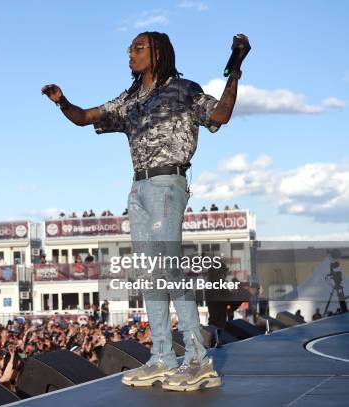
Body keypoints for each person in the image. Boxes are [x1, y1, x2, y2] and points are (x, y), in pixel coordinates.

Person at [42, 31, 250, 391]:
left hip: (168, 184)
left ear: (158, 53)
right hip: (138, 188)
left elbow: (221, 114)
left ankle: (199, 360)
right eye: (129, 49)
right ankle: (162, 358)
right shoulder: (131, 99)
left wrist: (235, 68)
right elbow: (85, 117)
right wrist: (62, 101)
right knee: (149, 275)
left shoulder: (183, 90)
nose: (130, 54)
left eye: (138, 48)